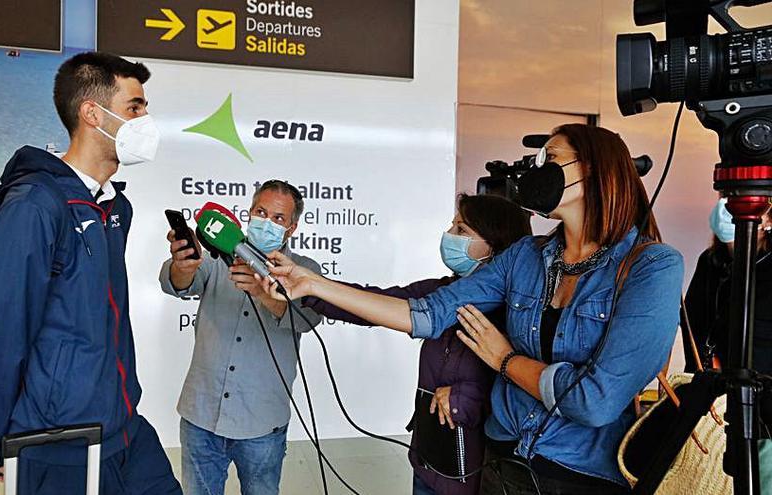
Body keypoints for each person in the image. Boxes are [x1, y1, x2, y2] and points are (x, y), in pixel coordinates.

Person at [259, 124, 684, 494]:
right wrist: (312, 282)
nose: (537, 171)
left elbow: (595, 402)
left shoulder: (653, 267)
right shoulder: (524, 256)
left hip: (580, 475)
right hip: (504, 463)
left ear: (592, 169)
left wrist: (504, 359)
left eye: (551, 158)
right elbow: (425, 313)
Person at [0, 52, 180, 494]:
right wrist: (1, 443)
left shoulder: (115, 208)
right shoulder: (35, 206)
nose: (146, 119)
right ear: (92, 113)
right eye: (135, 107)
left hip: (124, 428)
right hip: (56, 446)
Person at [298, 193, 531, 495]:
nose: (449, 235)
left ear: (495, 246)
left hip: (474, 475)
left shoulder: (516, 312)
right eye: (452, 226)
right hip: (428, 460)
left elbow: (521, 385)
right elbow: (375, 302)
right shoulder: (439, 292)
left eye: (462, 230)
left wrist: (467, 397)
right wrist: (308, 288)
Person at [158, 180, 323, 495]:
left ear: (291, 228)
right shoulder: (218, 252)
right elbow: (177, 284)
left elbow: (308, 319)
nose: (267, 222)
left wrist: (265, 294)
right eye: (261, 212)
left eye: (278, 218)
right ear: (249, 213)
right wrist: (183, 266)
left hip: (262, 422)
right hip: (201, 416)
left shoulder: (306, 270)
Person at [684, 197, 772, 491]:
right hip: (714, 413)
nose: (731, 205)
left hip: (765, 423)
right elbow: (693, 330)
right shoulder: (709, 264)